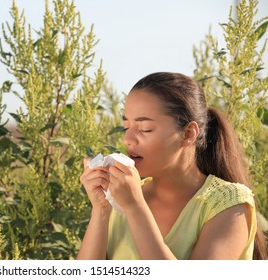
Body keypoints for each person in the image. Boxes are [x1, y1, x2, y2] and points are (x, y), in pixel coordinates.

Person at [77, 72, 267, 260]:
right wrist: (101, 209)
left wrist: (135, 207)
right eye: (126, 127)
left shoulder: (229, 204)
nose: (127, 140)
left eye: (145, 129)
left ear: (188, 134)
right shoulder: (121, 198)